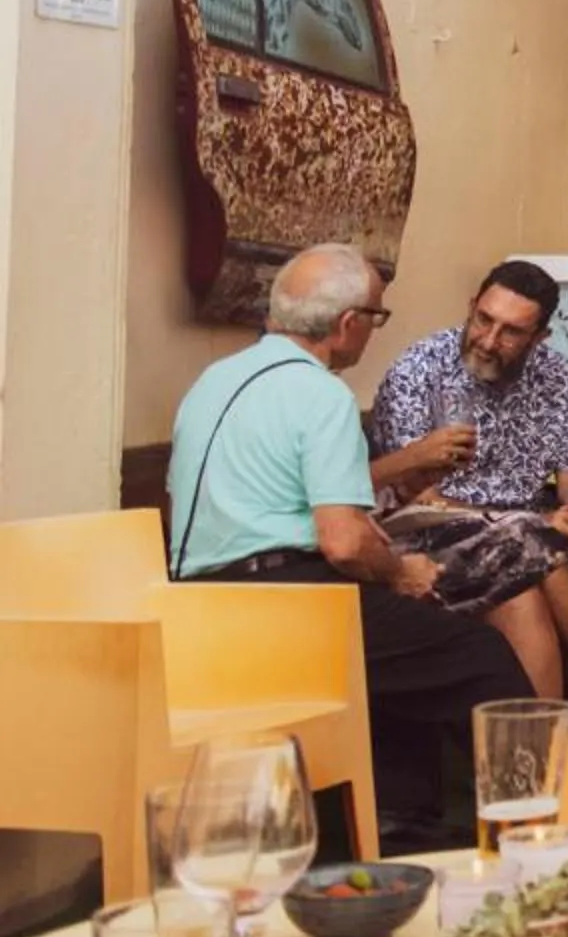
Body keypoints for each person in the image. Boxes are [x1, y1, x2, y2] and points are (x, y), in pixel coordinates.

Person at [166, 243, 531, 847]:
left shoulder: (213, 380)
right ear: (348, 325)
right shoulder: (323, 396)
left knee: (403, 643)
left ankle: (395, 820)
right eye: (376, 316)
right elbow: (342, 543)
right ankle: (532, 829)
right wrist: (400, 569)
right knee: (478, 656)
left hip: (198, 608)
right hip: (285, 608)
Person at [369, 259, 568, 713]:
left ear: (539, 337)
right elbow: (415, 495)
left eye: (511, 332)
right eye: (484, 319)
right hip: (441, 522)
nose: (488, 341)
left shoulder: (556, 376)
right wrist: (538, 521)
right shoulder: (418, 371)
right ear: (471, 306)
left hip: (530, 512)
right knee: (533, 541)